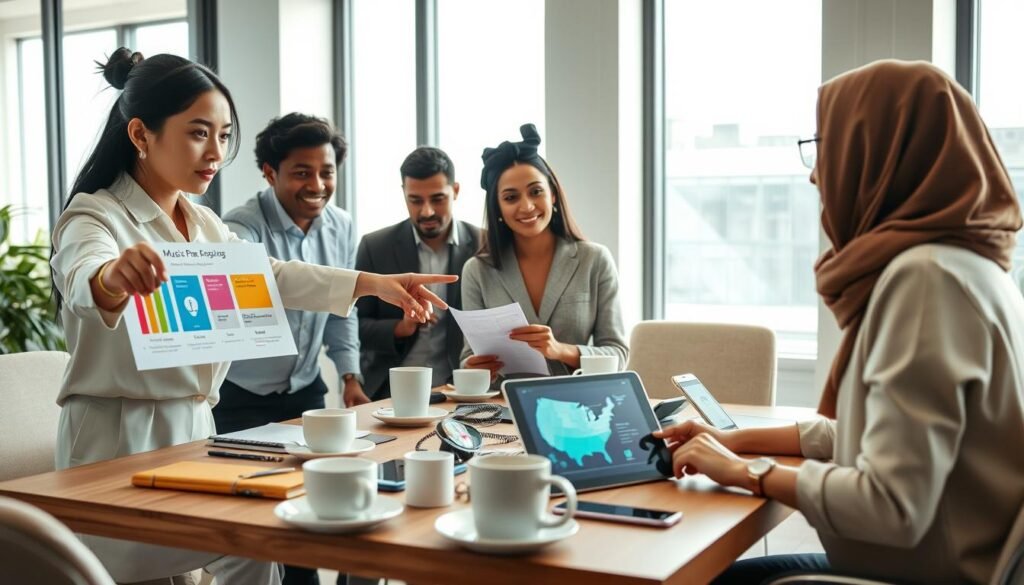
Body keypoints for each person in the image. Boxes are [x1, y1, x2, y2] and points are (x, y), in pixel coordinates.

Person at [49, 48, 454, 585]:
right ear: (142, 136)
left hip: (193, 433)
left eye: (223, 135)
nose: (215, 152)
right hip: (117, 441)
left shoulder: (203, 221)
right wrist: (112, 279)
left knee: (257, 545)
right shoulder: (93, 216)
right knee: (217, 550)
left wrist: (371, 284)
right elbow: (83, 277)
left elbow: (272, 275)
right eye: (198, 133)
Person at [655, 60, 1024, 585]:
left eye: (826, 145)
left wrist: (746, 473)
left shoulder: (926, 282)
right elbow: (869, 438)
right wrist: (731, 442)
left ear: (881, 152)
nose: (813, 172)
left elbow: (893, 505)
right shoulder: (969, 266)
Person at [460, 124, 628, 380]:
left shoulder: (594, 260)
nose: (526, 206)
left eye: (536, 191)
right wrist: (475, 368)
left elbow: (617, 355)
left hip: (577, 402)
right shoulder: (477, 270)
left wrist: (560, 350)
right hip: (504, 406)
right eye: (510, 197)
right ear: (498, 208)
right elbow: (468, 358)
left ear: (552, 194)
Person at [355, 146, 481, 398]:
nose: (427, 211)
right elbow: (353, 326)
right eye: (415, 200)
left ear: (455, 191)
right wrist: (401, 327)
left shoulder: (483, 245)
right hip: (388, 391)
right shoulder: (375, 246)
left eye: (437, 198)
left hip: (460, 388)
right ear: (403, 193)